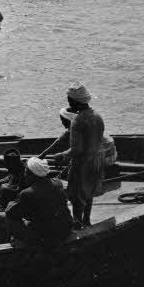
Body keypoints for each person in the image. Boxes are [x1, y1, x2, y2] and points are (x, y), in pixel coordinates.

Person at [47, 83, 107, 227]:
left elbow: (76, 150)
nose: (68, 102)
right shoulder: (98, 117)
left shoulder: (77, 121)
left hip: (83, 163)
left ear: (75, 101)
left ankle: (78, 224)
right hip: (97, 161)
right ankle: (87, 221)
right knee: (89, 193)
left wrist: (61, 155)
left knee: (76, 196)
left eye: (69, 100)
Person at [6, 157, 74, 250]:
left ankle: (20, 242)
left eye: (26, 172)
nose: (24, 175)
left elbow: (10, 213)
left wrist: (13, 200)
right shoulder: (58, 183)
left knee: (8, 219)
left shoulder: (27, 193)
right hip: (65, 230)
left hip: (45, 236)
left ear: (32, 175)